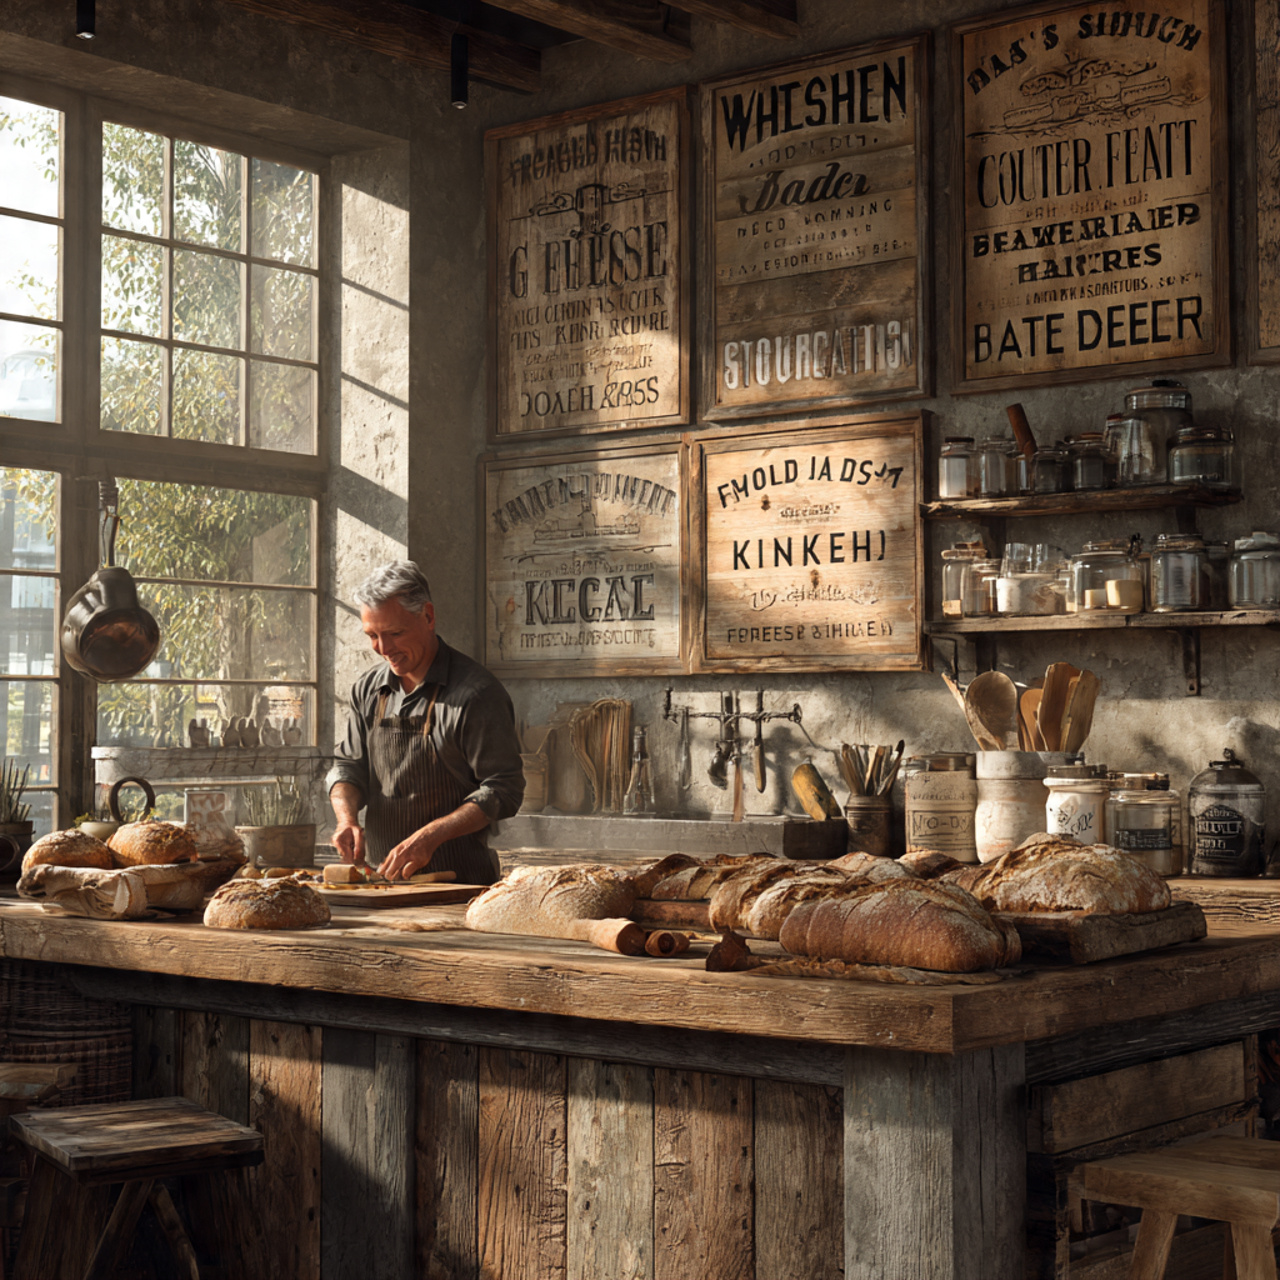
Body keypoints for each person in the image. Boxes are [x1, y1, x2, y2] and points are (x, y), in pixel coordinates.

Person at [325, 560, 523, 884]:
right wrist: (345, 819)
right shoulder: (368, 689)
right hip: (381, 885)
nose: (383, 649)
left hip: (459, 888)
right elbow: (348, 768)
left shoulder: (476, 694)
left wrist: (431, 836)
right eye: (372, 635)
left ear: (428, 616)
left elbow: (504, 789)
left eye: (395, 633)